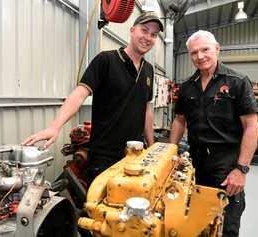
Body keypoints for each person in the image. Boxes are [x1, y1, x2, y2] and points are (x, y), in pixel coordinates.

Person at [23, 11, 164, 184]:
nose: (148, 37)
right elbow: (79, 93)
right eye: (144, 30)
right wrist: (55, 127)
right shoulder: (106, 60)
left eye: (154, 34)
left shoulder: (148, 69)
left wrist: (151, 144)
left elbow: (147, 108)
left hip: (135, 155)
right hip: (104, 157)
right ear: (132, 30)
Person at [170, 30, 258, 237]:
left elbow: (252, 126)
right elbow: (179, 120)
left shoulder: (237, 81)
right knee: (197, 224)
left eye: (205, 50)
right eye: (193, 53)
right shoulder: (187, 87)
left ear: (217, 48)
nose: (199, 56)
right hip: (195, 164)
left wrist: (241, 169)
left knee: (226, 225)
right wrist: (171, 153)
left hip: (226, 166)